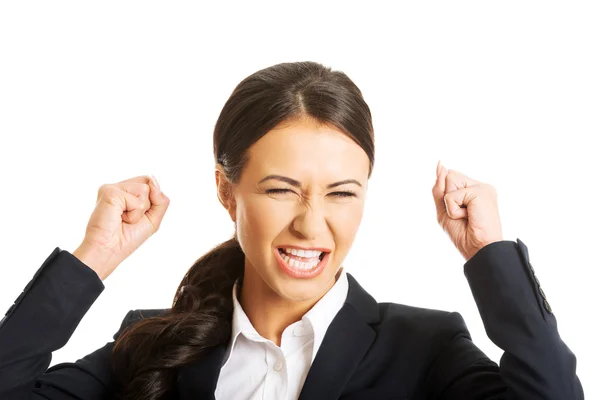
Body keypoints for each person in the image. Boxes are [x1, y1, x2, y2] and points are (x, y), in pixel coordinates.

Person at [0, 61, 583, 400]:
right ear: (228, 191)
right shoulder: (153, 347)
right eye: (281, 189)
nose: (311, 223)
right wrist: (94, 256)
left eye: (342, 194)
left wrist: (489, 254)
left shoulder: (425, 350)